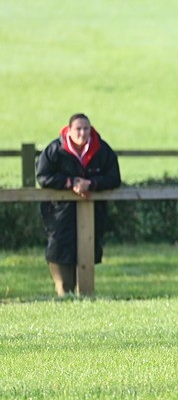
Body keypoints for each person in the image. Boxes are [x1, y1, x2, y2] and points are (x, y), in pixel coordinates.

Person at [35, 114, 122, 297]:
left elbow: (114, 178)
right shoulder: (55, 150)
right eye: (78, 129)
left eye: (86, 129)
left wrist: (91, 184)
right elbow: (43, 176)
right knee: (60, 247)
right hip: (59, 212)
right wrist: (70, 182)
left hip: (94, 212)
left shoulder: (102, 150)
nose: (83, 133)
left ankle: (84, 295)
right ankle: (64, 293)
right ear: (69, 129)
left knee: (89, 248)